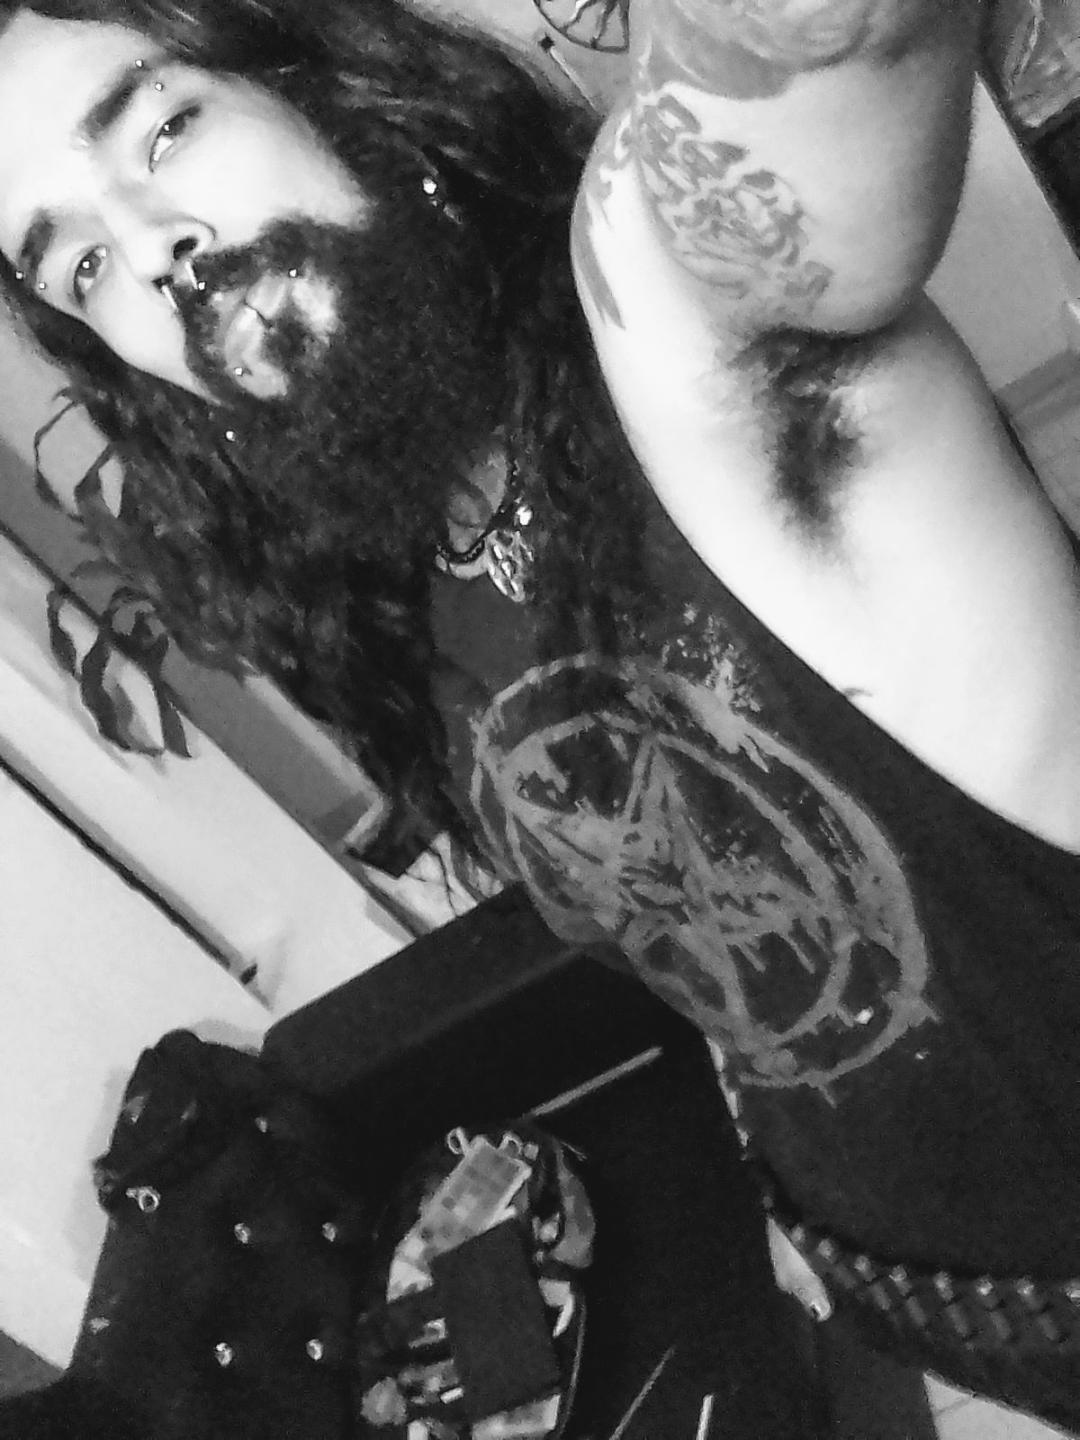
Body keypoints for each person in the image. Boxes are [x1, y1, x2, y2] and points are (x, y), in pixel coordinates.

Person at [1, 0, 1080, 1429]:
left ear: (333, 89)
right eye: (80, 264)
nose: (149, 249)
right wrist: (794, 1194)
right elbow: (704, 931)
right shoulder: (389, 582)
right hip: (939, 1308)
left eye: (165, 127)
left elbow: (830, 33)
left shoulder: (671, 314)